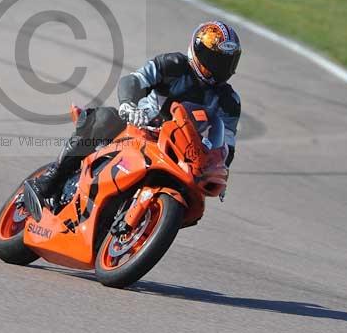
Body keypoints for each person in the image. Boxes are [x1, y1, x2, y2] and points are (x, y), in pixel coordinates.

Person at [25, 20, 242, 210]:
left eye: (226, 62)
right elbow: (134, 80)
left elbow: (226, 144)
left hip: (180, 150)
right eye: (214, 59)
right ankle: (51, 179)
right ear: (198, 52)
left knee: (193, 194)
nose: (219, 68)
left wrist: (220, 170)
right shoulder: (173, 65)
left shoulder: (229, 101)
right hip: (141, 127)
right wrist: (129, 105)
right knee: (105, 119)